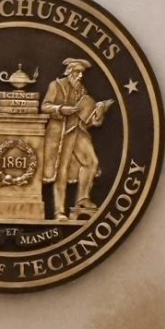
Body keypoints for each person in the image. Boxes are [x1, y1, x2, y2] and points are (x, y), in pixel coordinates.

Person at [40, 58, 113, 219]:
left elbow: (86, 114)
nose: (80, 76)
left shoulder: (81, 90)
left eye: (81, 73)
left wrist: (97, 113)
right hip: (61, 133)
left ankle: (82, 198)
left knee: (91, 162)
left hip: (78, 131)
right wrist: (61, 109)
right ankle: (59, 211)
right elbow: (45, 106)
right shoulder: (56, 85)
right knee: (61, 172)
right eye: (77, 72)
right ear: (69, 72)